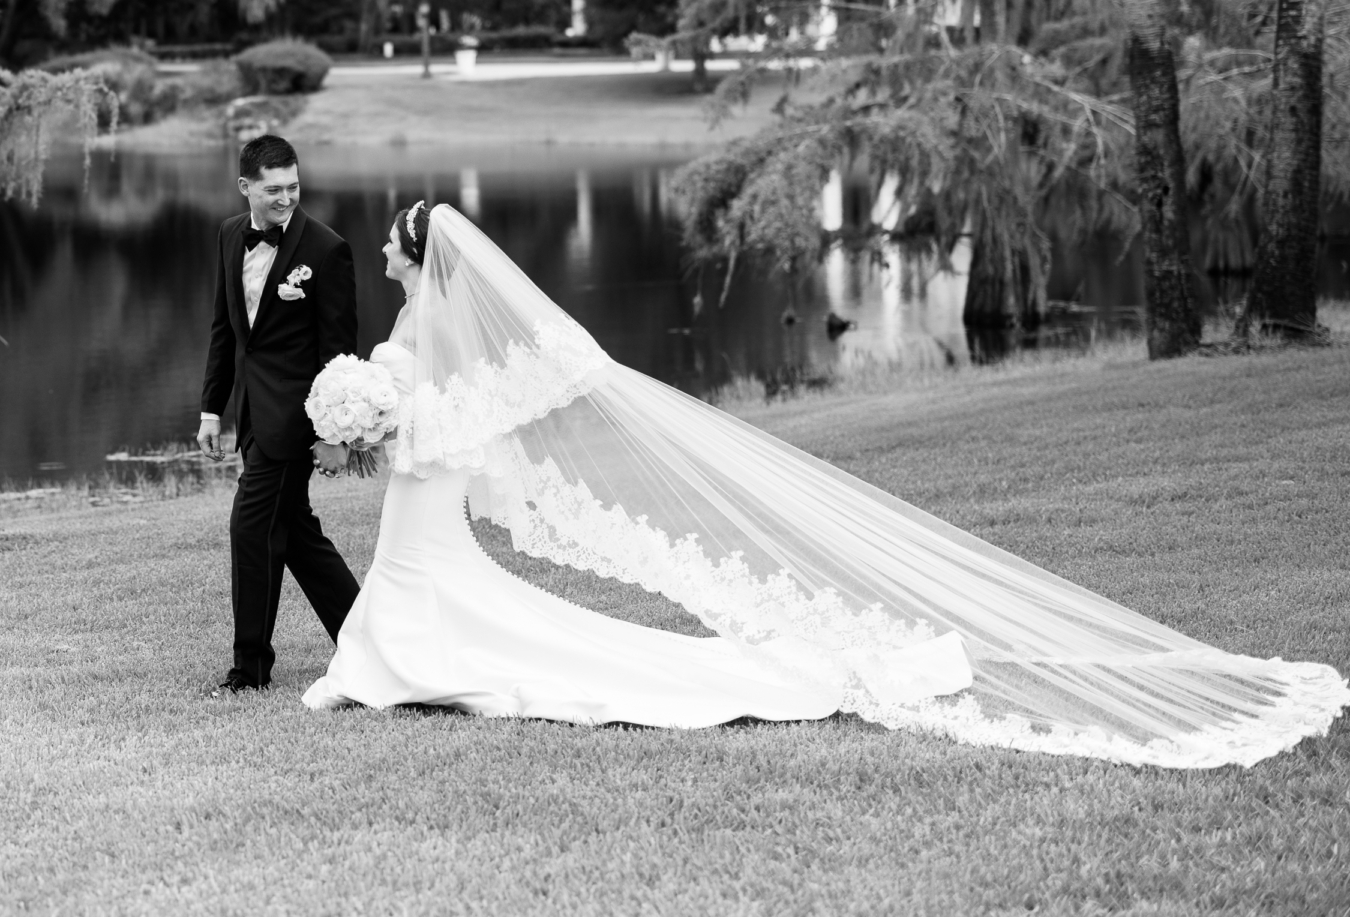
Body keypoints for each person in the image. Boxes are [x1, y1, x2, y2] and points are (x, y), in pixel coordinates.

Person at [303, 201, 1350, 768]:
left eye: (394, 245)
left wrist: (371, 416)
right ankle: (388, 660)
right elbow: (450, 424)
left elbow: (445, 425)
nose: (387, 255)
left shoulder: (423, 325)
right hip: (419, 497)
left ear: (414, 256)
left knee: (466, 597)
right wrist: (374, 420)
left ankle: (390, 664)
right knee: (442, 583)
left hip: (423, 497)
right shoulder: (423, 323)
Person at [198, 133, 361, 696]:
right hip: (250, 414)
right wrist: (212, 409)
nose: (286, 198)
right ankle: (370, 641)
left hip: (295, 421)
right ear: (245, 186)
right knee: (295, 536)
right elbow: (225, 329)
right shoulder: (229, 234)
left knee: (251, 529)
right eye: (273, 190)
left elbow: (338, 355)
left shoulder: (327, 249)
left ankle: (250, 671)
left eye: (293, 186)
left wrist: (334, 433)